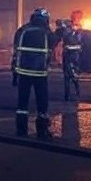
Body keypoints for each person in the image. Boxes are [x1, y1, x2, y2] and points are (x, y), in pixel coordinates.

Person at [11, 7, 55, 140]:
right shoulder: (46, 32)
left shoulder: (22, 30)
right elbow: (53, 43)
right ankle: (42, 131)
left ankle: (21, 130)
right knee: (42, 103)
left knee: (22, 103)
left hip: (22, 72)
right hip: (40, 73)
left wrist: (14, 72)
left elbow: (16, 51)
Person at [56, 18, 82, 101]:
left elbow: (59, 38)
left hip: (69, 56)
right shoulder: (76, 32)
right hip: (74, 56)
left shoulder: (67, 32)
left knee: (68, 76)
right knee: (73, 75)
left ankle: (68, 95)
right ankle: (76, 92)